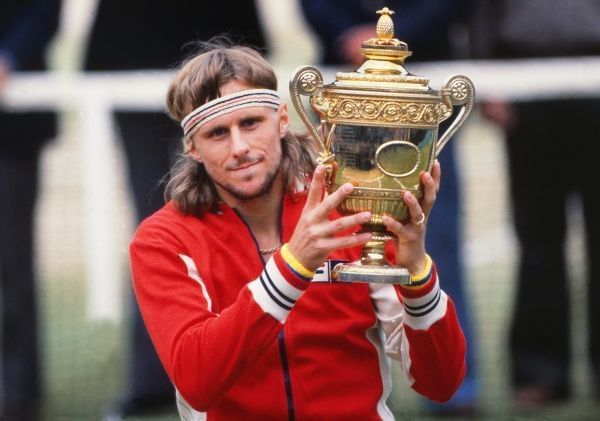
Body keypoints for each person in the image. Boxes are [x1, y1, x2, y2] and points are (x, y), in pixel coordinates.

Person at [129, 39, 466, 420]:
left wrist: (418, 274)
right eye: (217, 134)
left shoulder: (350, 212)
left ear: (283, 121)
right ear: (192, 147)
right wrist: (293, 266)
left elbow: (441, 384)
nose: (239, 147)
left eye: (251, 123)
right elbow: (198, 381)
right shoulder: (163, 239)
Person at [82, 1, 268, 417]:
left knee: (240, 216)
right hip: (129, 63)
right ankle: (152, 378)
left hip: (223, 66)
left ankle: (249, 360)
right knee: (153, 231)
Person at [299, 0, 479, 414]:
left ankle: (456, 384)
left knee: (430, 237)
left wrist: (394, 41)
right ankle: (350, 387)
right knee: (337, 243)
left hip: (424, 87)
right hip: (344, 86)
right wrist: (347, 36)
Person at [469, 0, 600, 408]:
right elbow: (479, 12)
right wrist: (488, 79)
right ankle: (541, 372)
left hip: (594, 81)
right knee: (537, 238)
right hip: (523, 85)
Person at [0, 1, 62, 419]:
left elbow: (44, 11)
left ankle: (20, 394)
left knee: (12, 263)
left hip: (12, 129)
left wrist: (7, 58)